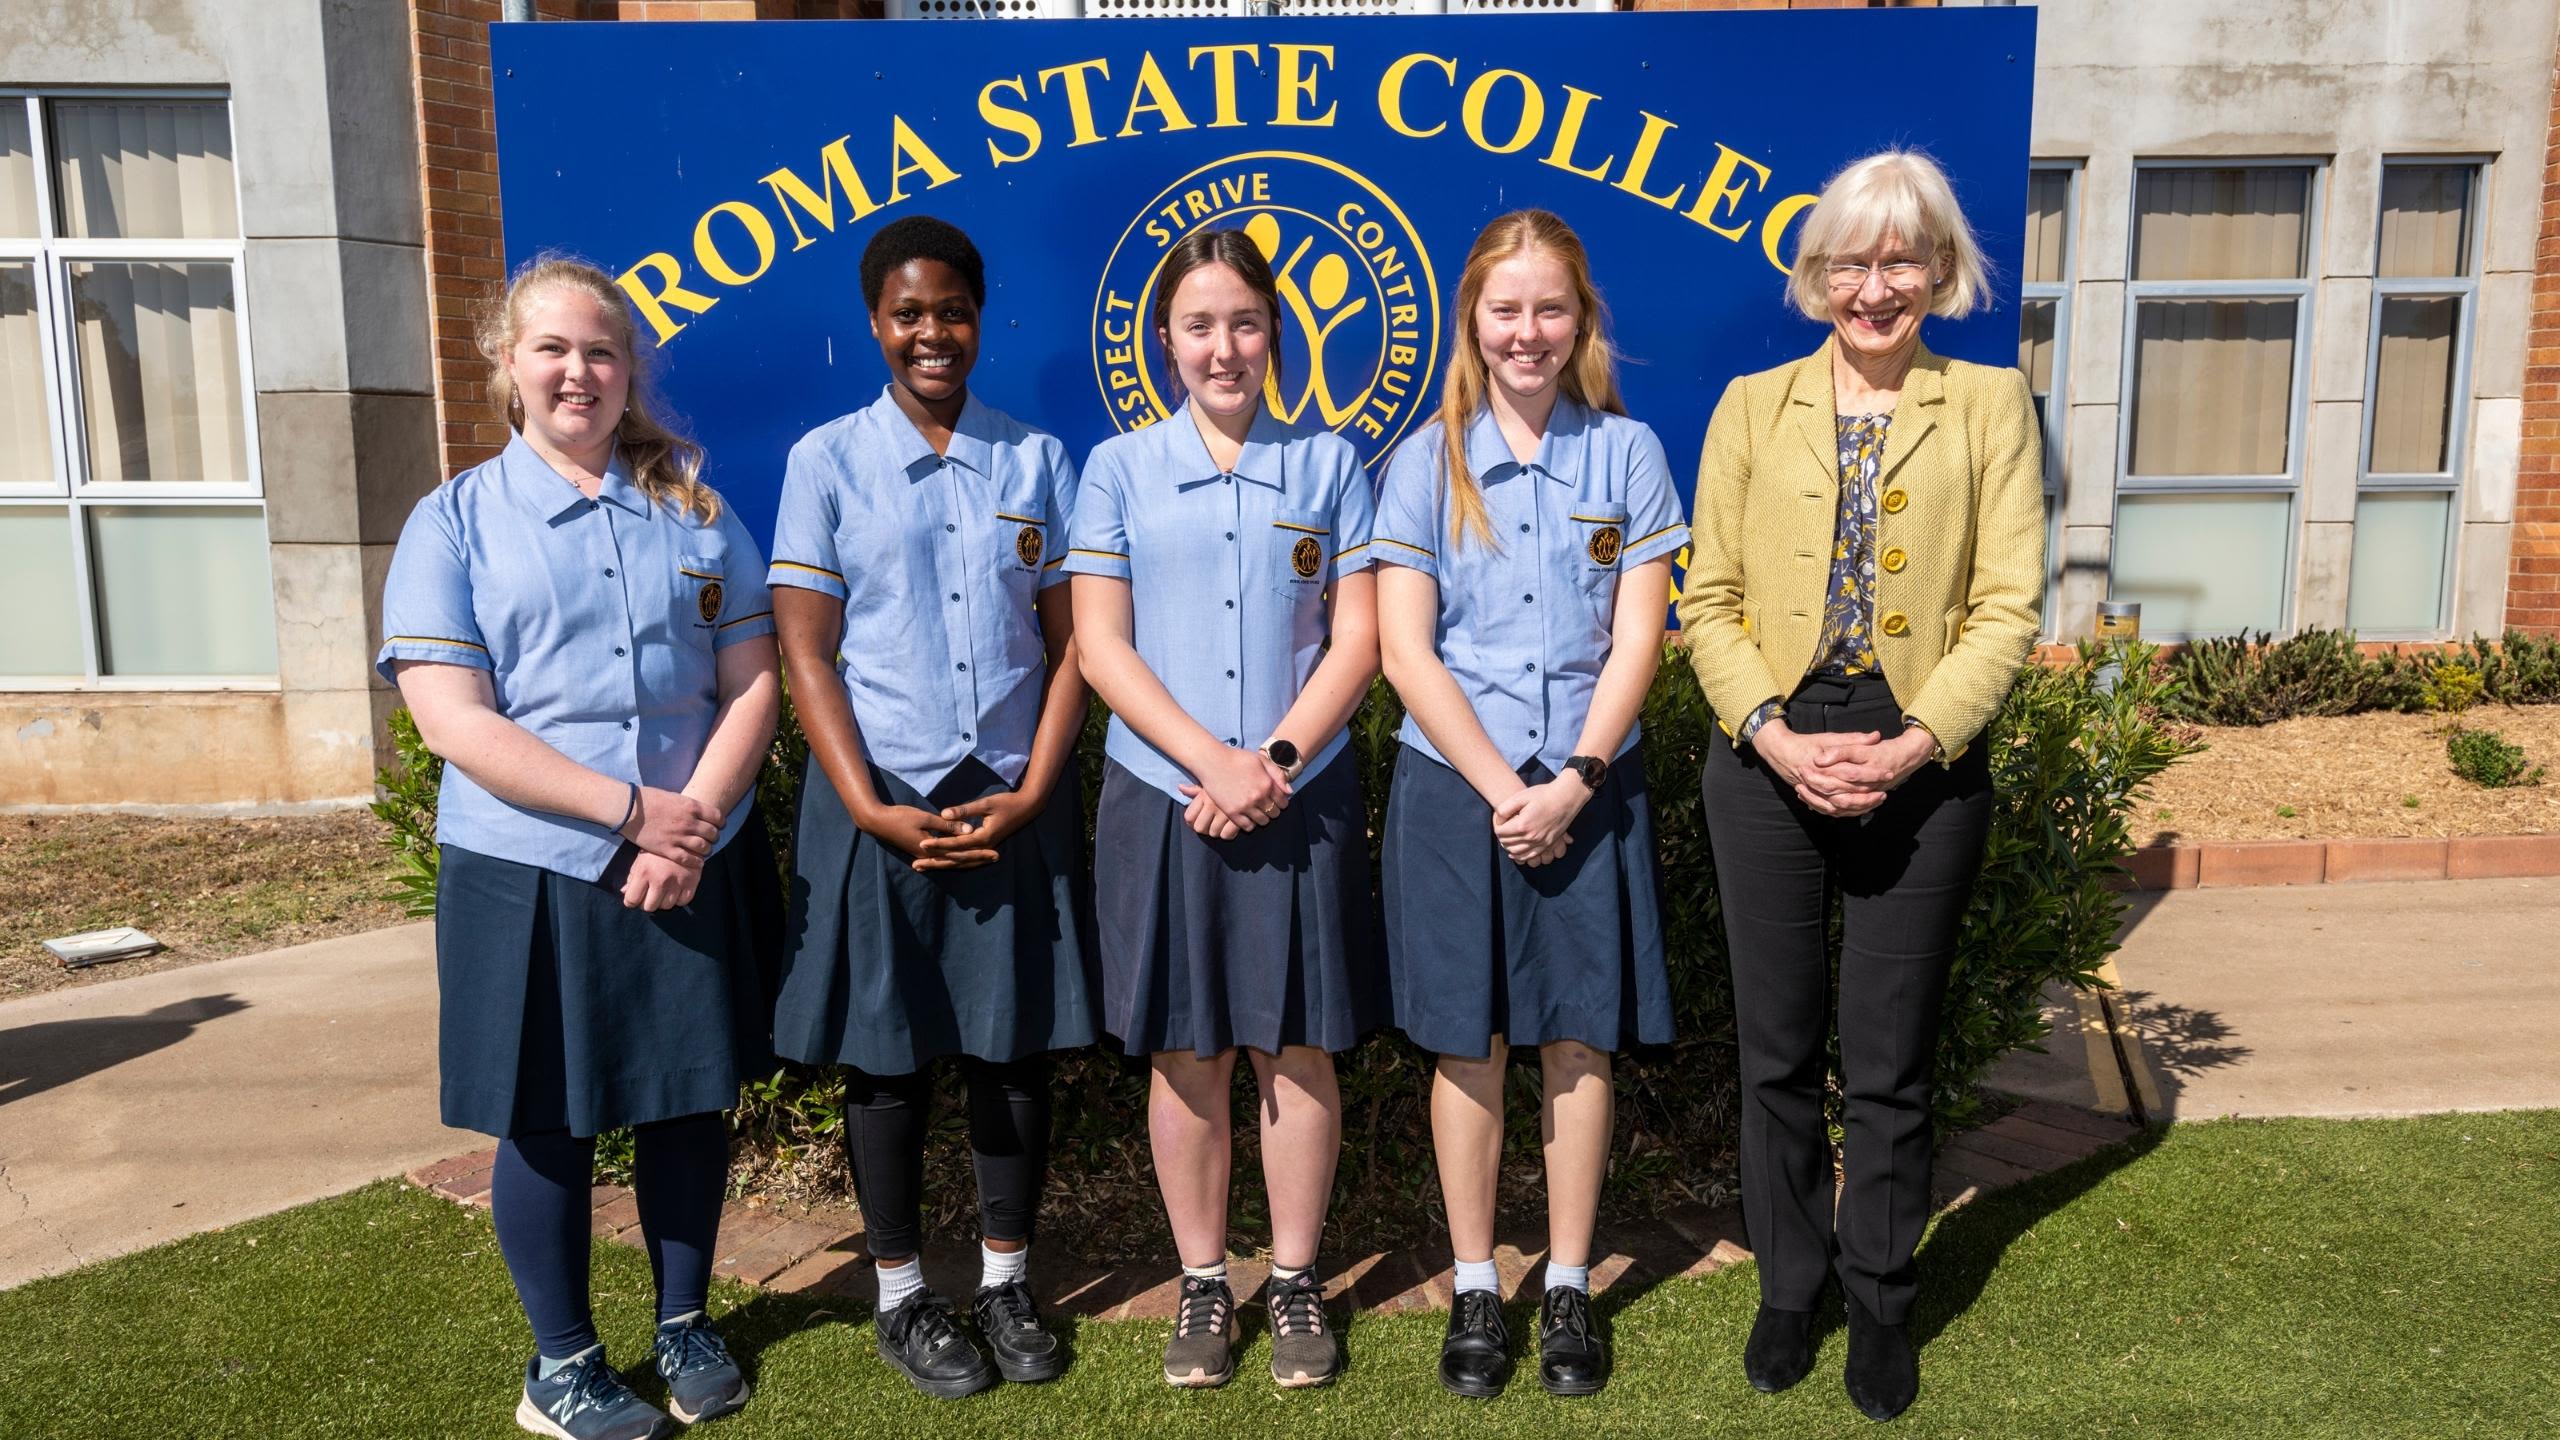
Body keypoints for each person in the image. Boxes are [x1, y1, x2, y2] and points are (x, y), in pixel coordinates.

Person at [379, 257, 781, 1440]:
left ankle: (685, 1324)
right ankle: (560, 1369)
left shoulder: (697, 514)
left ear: (629, 371)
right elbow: (453, 720)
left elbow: (751, 683)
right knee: (547, 1118)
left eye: (601, 352)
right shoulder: (452, 522)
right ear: (507, 363)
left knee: (687, 1102)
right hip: (533, 868)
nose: (578, 372)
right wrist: (629, 813)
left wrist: (688, 822)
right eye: (552, 349)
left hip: (690, 851)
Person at [1675, 149, 2045, 1421]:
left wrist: (1912, 743)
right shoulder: (1748, 406)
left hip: (1921, 759)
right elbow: (1707, 601)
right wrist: (1774, 737)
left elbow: (2005, 608)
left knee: (1887, 1058)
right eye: (1851, 262)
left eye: (1901, 261)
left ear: (1940, 271)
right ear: (1815, 272)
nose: (1874, 288)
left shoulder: (1988, 405)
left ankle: (1880, 1298)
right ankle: (1790, 1287)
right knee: (1776, 1050)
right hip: (1767, 754)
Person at [765, 215, 1096, 1400]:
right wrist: (866, 806)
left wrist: (1035, 791)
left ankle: (1005, 1281)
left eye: (952, 310)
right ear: (875, 322)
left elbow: (1072, 647)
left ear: (979, 318)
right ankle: (902, 1295)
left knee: (1012, 1052)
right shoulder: (826, 463)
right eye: (908, 313)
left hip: (1007, 793)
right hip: (885, 798)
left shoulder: (1036, 461)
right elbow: (807, 652)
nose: (932, 332)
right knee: (887, 1060)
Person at [1063, 227, 1382, 1392]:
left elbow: (1358, 637)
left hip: (1300, 795)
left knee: (1293, 1046)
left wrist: (1273, 760)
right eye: (1199, 325)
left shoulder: (1331, 465)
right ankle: (1203, 1281)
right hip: (1165, 800)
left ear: (1274, 333)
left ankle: (1292, 1281)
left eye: (1244, 323)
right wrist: (1211, 763)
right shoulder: (1116, 471)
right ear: (1164, 339)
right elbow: (1100, 646)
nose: (1223, 348)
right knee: (1186, 1048)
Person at [1373, 209, 1684, 1400]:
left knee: (1576, 1035)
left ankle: (1563, 1285)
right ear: (1473, 320)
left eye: (1550, 307)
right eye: (1505, 308)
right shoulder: (1422, 463)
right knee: (1468, 1041)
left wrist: (1573, 785)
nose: (1527, 331)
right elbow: (1406, 652)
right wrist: (1511, 793)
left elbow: (1638, 638)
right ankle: (1471, 1285)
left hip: (1588, 788)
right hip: (1459, 791)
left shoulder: (1629, 454)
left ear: (1581, 318)